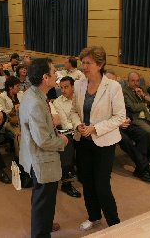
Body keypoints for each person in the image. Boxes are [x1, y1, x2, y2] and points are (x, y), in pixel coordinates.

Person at [69, 46, 125, 230]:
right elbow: (73, 111)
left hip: (104, 142)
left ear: (100, 64)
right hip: (83, 141)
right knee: (87, 182)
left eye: (88, 63)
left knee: (102, 185)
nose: (84, 66)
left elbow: (119, 117)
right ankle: (94, 216)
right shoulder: (78, 84)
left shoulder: (113, 86)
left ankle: (114, 223)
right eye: (83, 62)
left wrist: (95, 128)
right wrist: (78, 124)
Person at [19, 58, 68, 238]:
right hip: (41, 158)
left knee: (42, 198)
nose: (57, 75)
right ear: (45, 78)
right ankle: (40, 232)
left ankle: (45, 223)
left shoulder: (33, 93)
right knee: (43, 199)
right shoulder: (36, 103)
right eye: (54, 72)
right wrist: (62, 140)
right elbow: (44, 141)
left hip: (35, 155)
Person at [52, 76, 81, 198]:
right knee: (66, 142)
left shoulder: (80, 97)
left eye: (66, 87)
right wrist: (78, 126)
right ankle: (66, 182)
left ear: (73, 87)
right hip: (69, 130)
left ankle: (85, 173)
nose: (63, 90)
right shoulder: (58, 102)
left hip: (83, 128)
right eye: (61, 87)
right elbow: (64, 123)